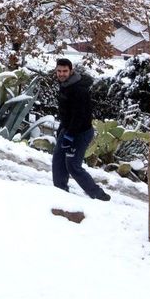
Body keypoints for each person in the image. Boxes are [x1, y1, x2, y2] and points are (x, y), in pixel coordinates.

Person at [52, 58, 110, 201]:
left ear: (71, 71)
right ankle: (60, 191)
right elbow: (68, 113)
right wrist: (62, 129)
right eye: (59, 71)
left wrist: (69, 136)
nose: (61, 74)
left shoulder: (78, 89)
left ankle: (97, 194)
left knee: (72, 165)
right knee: (58, 161)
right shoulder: (65, 85)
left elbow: (80, 116)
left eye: (65, 71)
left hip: (81, 132)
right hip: (68, 129)